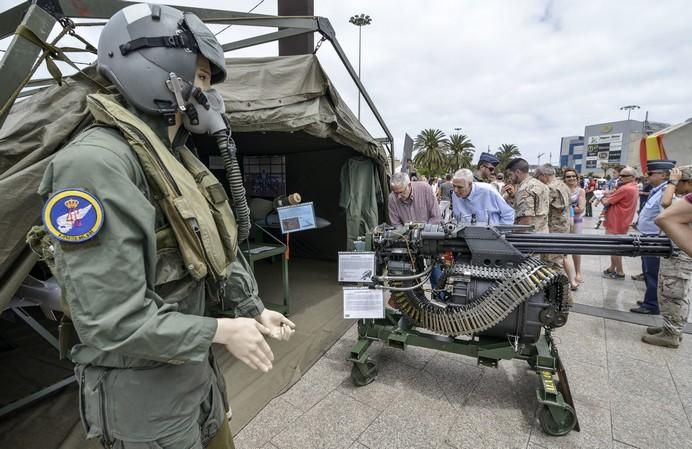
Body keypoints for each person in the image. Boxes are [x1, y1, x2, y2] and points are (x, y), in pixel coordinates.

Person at [34, 5, 295, 448]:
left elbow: (210, 254)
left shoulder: (174, 160)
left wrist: (250, 308)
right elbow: (111, 320)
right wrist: (221, 331)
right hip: (142, 397)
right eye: (201, 77)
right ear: (160, 70)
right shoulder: (97, 165)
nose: (207, 94)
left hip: (193, 370)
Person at [643, 165, 692, 347]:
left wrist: (672, 182)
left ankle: (672, 333)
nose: (675, 186)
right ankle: (669, 327)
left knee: (674, 292)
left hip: (682, 255)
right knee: (668, 291)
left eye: (679, 182)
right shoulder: (684, 199)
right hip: (675, 251)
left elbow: (665, 204)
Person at [628, 160, 674, 314]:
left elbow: (665, 216)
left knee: (652, 272)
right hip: (648, 236)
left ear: (663, 175)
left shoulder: (666, 192)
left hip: (655, 239)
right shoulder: (657, 190)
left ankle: (652, 304)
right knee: (647, 271)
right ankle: (651, 298)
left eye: (650, 173)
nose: (647, 176)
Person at [535, 164, 576, 291]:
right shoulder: (563, 185)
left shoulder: (549, 189)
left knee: (550, 263)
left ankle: (559, 292)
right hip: (563, 228)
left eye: (538, 177)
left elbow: (540, 209)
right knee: (559, 260)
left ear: (544, 176)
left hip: (552, 229)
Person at [601, 166, 639, 280]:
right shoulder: (633, 187)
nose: (620, 177)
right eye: (620, 175)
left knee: (614, 248)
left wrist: (601, 197)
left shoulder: (625, 188)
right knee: (616, 247)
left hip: (616, 221)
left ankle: (620, 272)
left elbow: (607, 201)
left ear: (632, 177)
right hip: (622, 220)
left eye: (624, 176)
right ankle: (612, 268)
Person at [449, 169, 515, 225]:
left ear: (470, 184)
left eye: (460, 187)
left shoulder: (489, 191)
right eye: (454, 186)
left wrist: (500, 233)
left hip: (491, 237)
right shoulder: (455, 194)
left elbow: (508, 214)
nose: (455, 190)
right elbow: (456, 218)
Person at [504, 158, 549, 232]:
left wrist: (515, 236)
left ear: (517, 172)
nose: (510, 178)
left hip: (529, 238)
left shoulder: (524, 189)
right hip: (543, 233)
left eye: (511, 174)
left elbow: (526, 221)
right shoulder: (541, 185)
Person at [564, 168, 586, 284]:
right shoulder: (562, 190)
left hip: (577, 222)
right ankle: (568, 274)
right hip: (563, 223)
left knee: (576, 248)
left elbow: (580, 208)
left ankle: (578, 272)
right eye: (568, 176)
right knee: (563, 249)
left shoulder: (580, 191)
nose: (571, 178)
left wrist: (565, 208)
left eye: (573, 176)